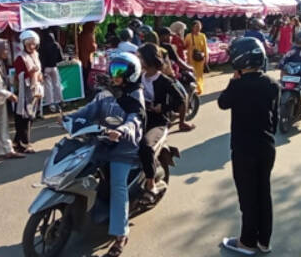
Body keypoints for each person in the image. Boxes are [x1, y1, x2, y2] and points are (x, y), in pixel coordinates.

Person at [64, 52, 144, 257]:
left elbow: (135, 120)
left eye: (119, 71)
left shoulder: (135, 95)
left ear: (131, 75)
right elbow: (90, 109)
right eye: (112, 69)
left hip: (123, 148)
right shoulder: (107, 93)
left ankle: (120, 235)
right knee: (76, 168)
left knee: (118, 186)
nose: (114, 75)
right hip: (100, 142)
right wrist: (70, 117)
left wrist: (122, 131)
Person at [218, 37, 279, 255]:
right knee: (264, 193)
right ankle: (264, 240)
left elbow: (222, 103)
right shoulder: (273, 83)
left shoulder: (238, 85)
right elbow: (275, 119)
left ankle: (246, 242)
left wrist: (234, 81)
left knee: (248, 197)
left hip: (245, 148)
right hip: (266, 146)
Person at [137, 44, 189, 198]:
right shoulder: (138, 77)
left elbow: (181, 99)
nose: (137, 60)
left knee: (145, 147)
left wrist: (164, 107)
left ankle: (151, 183)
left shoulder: (164, 80)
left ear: (148, 59)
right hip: (138, 119)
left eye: (139, 57)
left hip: (157, 122)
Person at [13, 30, 43, 153]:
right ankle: (24, 144)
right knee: (24, 118)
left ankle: (17, 141)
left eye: (33, 44)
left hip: (34, 90)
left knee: (29, 117)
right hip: (24, 92)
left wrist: (39, 76)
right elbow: (19, 75)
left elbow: (38, 70)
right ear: (23, 44)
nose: (31, 46)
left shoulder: (35, 55)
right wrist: (29, 73)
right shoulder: (21, 57)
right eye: (29, 44)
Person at [40, 31, 64, 112]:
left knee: (48, 87)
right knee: (57, 84)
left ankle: (51, 104)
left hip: (46, 68)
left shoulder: (42, 46)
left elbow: (41, 59)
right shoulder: (56, 45)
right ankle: (60, 101)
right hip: (54, 67)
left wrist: (42, 70)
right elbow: (61, 58)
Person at [185, 20, 208, 94]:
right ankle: (194, 88)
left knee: (199, 74)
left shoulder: (202, 36)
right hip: (191, 58)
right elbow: (184, 46)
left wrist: (206, 57)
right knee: (193, 73)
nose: (198, 28)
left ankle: (199, 89)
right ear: (192, 27)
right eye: (196, 26)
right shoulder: (188, 36)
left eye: (199, 26)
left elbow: (205, 47)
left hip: (200, 59)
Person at [78, 22, 98, 89]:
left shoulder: (81, 34)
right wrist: (95, 45)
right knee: (85, 74)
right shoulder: (89, 35)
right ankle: (85, 88)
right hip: (87, 58)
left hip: (81, 57)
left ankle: (83, 88)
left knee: (83, 74)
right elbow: (92, 48)